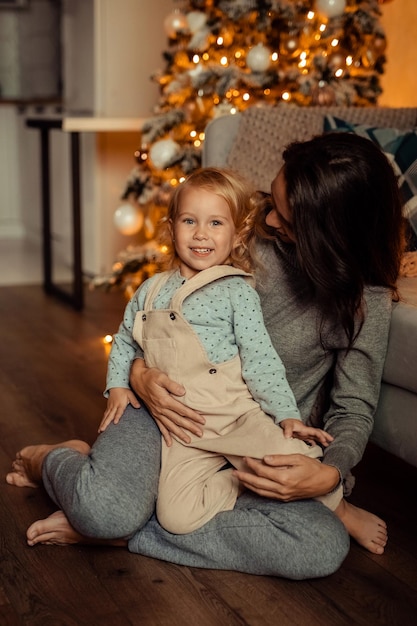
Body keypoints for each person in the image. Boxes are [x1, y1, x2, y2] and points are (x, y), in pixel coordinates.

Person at [7, 132, 405, 577]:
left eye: (286, 218)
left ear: (327, 235)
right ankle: (55, 463)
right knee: (104, 508)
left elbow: (353, 409)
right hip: (168, 412)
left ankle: (118, 532)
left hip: (250, 433)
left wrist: (330, 474)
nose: (269, 219)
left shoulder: (365, 301)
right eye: (271, 199)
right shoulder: (234, 227)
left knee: (320, 546)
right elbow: (157, 315)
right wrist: (137, 375)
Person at [99, 167, 341, 535]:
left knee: (297, 460)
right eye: (189, 221)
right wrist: (118, 384)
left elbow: (261, 360)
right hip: (183, 430)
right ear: (171, 226)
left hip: (235, 416)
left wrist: (287, 414)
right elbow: (125, 340)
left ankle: (319, 501)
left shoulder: (236, 291)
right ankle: (244, 482)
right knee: (176, 518)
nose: (200, 234)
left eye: (215, 223)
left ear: (238, 234)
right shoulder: (149, 289)